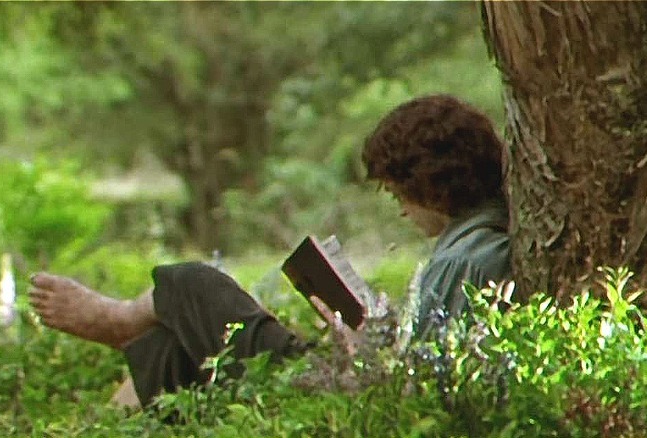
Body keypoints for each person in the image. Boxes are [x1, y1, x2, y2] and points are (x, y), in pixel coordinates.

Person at [28, 94, 511, 410]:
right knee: (167, 351)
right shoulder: (474, 242)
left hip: (342, 397)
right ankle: (106, 412)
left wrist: (363, 353)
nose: (401, 212)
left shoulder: (466, 259)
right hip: (349, 379)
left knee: (193, 283)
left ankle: (119, 320)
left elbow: (424, 390)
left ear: (428, 183)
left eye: (398, 194)